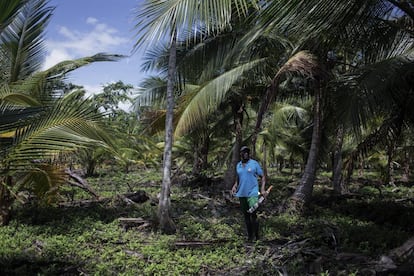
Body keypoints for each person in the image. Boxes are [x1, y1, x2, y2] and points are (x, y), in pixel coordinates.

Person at [231, 146, 266, 242]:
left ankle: (257, 236)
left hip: (253, 193)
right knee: (246, 215)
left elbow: (263, 177)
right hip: (242, 194)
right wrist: (234, 186)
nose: (246, 153)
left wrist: (262, 189)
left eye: (247, 152)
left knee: (253, 214)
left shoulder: (254, 164)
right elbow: (238, 178)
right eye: (244, 152)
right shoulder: (238, 165)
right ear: (240, 154)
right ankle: (250, 237)